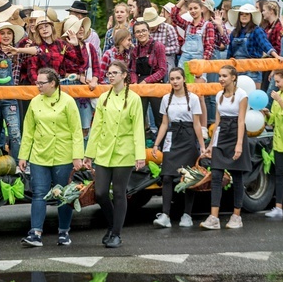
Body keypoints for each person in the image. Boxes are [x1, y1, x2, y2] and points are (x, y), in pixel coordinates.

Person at [18, 67, 84, 247]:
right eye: (37, 82)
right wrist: (23, 156)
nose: (37, 85)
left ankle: (64, 232)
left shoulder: (68, 101)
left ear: (53, 83)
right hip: (40, 155)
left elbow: (76, 131)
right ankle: (35, 233)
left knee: (63, 194)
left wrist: (77, 156)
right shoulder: (34, 102)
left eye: (41, 83)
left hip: (63, 154)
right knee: (39, 193)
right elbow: (28, 131)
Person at [85, 60, 145, 247]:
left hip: (124, 151)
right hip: (104, 150)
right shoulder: (104, 98)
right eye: (109, 73)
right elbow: (96, 127)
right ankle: (112, 226)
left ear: (124, 75)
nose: (110, 75)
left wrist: (139, 154)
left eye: (114, 73)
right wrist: (89, 153)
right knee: (101, 193)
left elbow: (137, 128)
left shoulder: (134, 98)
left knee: (119, 193)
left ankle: (116, 234)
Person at [152, 67, 206, 228]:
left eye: (177, 78)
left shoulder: (194, 98)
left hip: (188, 137)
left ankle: (187, 214)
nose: (175, 81)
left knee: (189, 178)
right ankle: (165, 215)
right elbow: (164, 123)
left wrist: (202, 147)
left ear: (183, 79)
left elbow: (197, 124)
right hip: (172, 136)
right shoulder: (166, 98)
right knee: (167, 176)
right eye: (172, 79)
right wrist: (156, 144)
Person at [200, 65, 250, 230]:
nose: (221, 79)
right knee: (215, 175)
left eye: (224, 76)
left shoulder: (242, 95)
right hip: (222, 135)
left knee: (237, 177)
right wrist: (211, 145)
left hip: (236, 132)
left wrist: (239, 144)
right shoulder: (219, 94)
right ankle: (214, 217)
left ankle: (236, 216)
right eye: (219, 76)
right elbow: (217, 122)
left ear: (233, 77)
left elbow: (242, 120)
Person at [0, 21, 24, 160]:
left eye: (9, 33)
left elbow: (37, 50)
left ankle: (18, 164)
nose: (6, 36)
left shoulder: (18, 51)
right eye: (2, 33)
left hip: (10, 98)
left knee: (15, 133)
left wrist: (18, 51)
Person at [261, 69, 283, 219]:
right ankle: (279, 207)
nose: (276, 85)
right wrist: (268, 114)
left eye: (278, 81)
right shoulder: (278, 96)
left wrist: (280, 101)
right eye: (275, 82)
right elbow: (275, 120)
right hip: (279, 139)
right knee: (280, 173)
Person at [227, 4, 282, 89]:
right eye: (241, 14)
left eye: (247, 14)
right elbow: (230, 52)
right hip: (237, 68)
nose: (244, 16)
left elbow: (265, 44)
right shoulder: (234, 32)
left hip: (253, 68)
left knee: (253, 96)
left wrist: (276, 55)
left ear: (251, 16)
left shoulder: (257, 30)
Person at [130, 20, 167, 139]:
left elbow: (162, 70)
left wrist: (146, 82)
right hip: (140, 85)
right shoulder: (135, 50)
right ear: (135, 34)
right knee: (139, 118)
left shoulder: (158, 46)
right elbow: (133, 70)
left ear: (148, 31)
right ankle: (141, 148)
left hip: (156, 84)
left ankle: (163, 147)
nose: (141, 34)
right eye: (138, 32)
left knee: (160, 118)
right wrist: (135, 83)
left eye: (143, 31)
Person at [23, 15, 84, 83]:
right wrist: (38, 84)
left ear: (52, 28)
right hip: (42, 83)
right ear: (38, 32)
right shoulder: (35, 46)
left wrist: (76, 46)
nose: (44, 29)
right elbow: (32, 69)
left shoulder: (61, 44)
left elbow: (79, 62)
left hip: (60, 82)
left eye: (46, 26)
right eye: (40, 28)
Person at [171, 0, 215, 69]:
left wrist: (203, 63)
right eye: (190, 9)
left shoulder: (208, 25)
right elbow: (173, 16)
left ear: (201, 9)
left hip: (199, 60)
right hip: (184, 60)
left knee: (198, 81)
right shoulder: (187, 25)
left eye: (195, 8)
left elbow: (209, 46)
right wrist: (184, 0)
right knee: (182, 79)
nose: (193, 11)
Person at [140, 7, 179, 73]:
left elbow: (176, 48)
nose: (151, 27)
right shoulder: (142, 31)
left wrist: (159, 51)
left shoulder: (168, 28)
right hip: (147, 60)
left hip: (166, 59)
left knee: (168, 68)